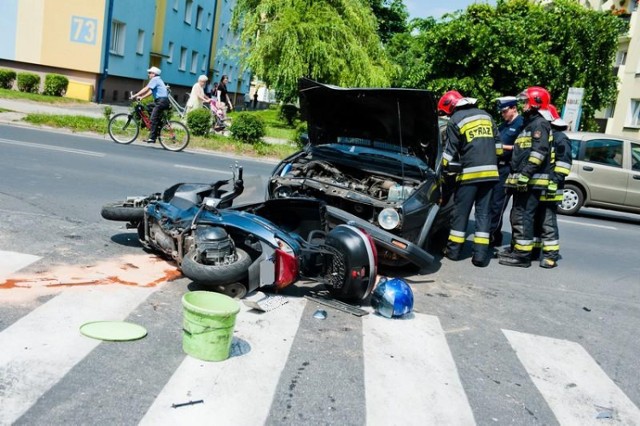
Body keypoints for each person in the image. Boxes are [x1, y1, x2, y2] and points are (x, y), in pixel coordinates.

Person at [438, 90, 503, 267]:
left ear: (451, 107)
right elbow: (499, 149)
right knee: (483, 214)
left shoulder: (456, 120)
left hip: (469, 175)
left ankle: (453, 252)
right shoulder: (487, 116)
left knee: (461, 213)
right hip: (491, 175)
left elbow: (450, 151)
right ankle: (480, 257)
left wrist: (440, 168)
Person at [499, 86, 552, 268]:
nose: (522, 105)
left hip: (532, 180)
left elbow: (539, 152)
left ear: (535, 103)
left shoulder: (539, 125)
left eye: (526, 102)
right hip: (522, 179)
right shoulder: (528, 124)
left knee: (523, 217)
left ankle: (522, 256)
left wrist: (525, 174)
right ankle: (516, 249)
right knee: (516, 215)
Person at [532, 104, 572, 268]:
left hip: (551, 188)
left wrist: (552, 183)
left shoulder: (560, 138)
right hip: (539, 186)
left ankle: (550, 256)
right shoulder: (546, 136)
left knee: (547, 223)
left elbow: (563, 166)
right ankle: (534, 251)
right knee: (535, 221)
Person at [489, 96, 525, 248]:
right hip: (498, 167)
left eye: (504, 111)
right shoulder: (504, 125)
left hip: (508, 169)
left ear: (513, 108)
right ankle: (496, 235)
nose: (502, 114)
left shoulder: (521, 124)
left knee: (498, 204)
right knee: (492, 203)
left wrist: (502, 147)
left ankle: (490, 235)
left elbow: (521, 147)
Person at [131, 66, 169, 144]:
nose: (148, 74)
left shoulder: (154, 79)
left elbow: (146, 88)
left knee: (152, 119)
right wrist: (142, 97)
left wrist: (135, 95)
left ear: (154, 74)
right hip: (162, 101)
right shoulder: (158, 79)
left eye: (150, 73)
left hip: (161, 101)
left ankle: (152, 138)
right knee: (148, 107)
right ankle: (157, 127)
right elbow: (151, 92)